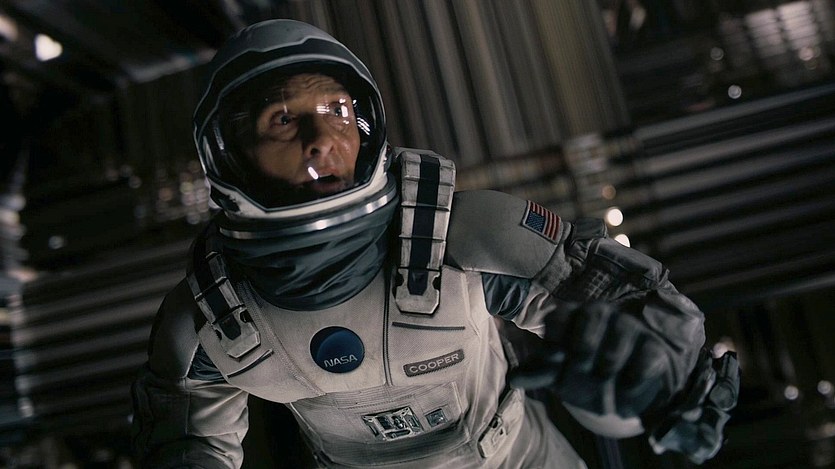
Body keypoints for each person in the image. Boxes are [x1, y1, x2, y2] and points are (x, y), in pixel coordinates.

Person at [131, 19, 739, 469]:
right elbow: (188, 447)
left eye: (338, 110)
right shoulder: (208, 320)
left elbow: (634, 331)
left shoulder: (465, 235)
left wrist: (649, 379)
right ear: (229, 156)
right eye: (283, 119)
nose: (324, 139)